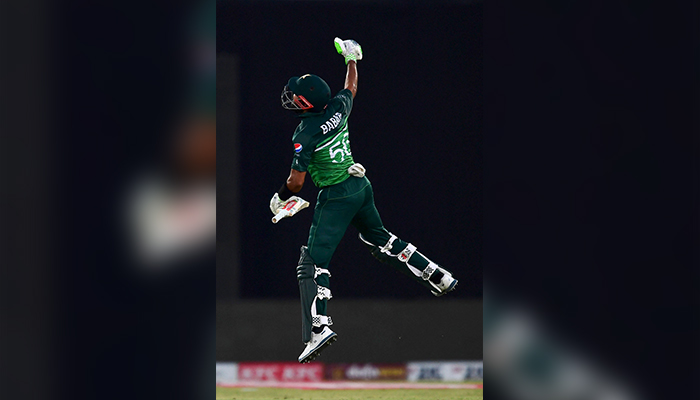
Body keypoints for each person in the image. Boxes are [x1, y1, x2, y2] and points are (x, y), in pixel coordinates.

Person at [270, 38, 458, 364]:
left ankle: (319, 328)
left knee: (312, 263)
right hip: (360, 185)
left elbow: (297, 182)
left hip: (336, 195)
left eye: (296, 97)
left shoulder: (304, 134)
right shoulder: (338, 107)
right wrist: (351, 60)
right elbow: (351, 87)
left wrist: (281, 197)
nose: (291, 100)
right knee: (380, 239)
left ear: (308, 104)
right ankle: (437, 275)